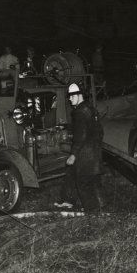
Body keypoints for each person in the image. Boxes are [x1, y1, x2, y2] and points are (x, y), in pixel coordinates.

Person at [55, 82, 103, 212]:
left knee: (83, 183)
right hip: (95, 152)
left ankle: (92, 211)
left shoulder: (80, 112)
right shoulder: (91, 109)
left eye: (72, 96)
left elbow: (80, 136)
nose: (70, 99)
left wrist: (73, 154)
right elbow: (98, 131)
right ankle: (97, 205)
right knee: (90, 180)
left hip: (85, 154)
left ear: (79, 95)